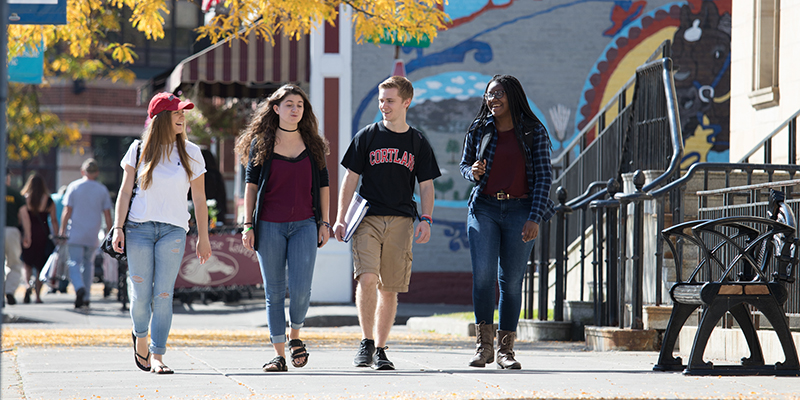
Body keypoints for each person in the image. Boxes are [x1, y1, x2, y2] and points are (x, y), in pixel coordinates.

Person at [333, 76, 441, 370]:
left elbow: (427, 185)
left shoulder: (417, 141)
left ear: (407, 102)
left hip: (402, 220)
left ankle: (381, 348)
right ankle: (366, 343)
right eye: (381, 100)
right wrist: (340, 218)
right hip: (367, 218)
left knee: (389, 288)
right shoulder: (367, 136)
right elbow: (350, 179)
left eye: (390, 100)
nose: (384, 106)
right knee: (367, 278)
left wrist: (426, 219)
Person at [459, 74, 555, 370]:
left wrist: (534, 217)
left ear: (512, 96)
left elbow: (543, 178)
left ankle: (505, 351)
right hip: (484, 208)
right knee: (484, 276)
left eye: (498, 94)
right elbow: (464, 166)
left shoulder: (532, 131)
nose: (493, 99)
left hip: (520, 210)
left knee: (511, 282)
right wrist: (471, 172)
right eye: (489, 95)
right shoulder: (479, 128)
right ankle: (483, 347)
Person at [112, 92, 211, 374]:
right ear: (161, 118)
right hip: (139, 228)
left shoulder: (191, 151)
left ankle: (157, 355)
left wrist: (203, 238)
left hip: (174, 231)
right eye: (177, 112)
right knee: (141, 294)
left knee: (164, 295)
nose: (182, 116)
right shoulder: (138, 149)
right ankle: (140, 335)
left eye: (183, 112)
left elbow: (200, 199)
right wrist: (118, 227)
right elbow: (124, 191)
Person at [236, 84, 331, 372]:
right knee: (274, 291)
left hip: (305, 223)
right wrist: (248, 224)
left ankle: (295, 336)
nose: (295, 109)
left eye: (300, 105)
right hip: (268, 226)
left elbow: (324, 185)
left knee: (301, 289)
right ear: (276, 108)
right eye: (289, 104)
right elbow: (250, 186)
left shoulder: (313, 143)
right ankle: (278, 355)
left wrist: (324, 222)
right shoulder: (261, 142)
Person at [60, 159, 113, 309]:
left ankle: (78, 287)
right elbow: (107, 214)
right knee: (88, 264)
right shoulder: (102, 189)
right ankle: (87, 296)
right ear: (97, 173)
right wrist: (109, 232)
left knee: (74, 262)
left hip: (76, 232)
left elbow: (67, 210)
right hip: (92, 233)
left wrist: (62, 230)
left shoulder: (74, 187)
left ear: (83, 171)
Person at [20, 172, 59, 304]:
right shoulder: (48, 200)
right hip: (42, 234)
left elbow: (21, 217)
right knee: (40, 265)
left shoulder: (25, 198)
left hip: (28, 233)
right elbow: (53, 220)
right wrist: (57, 235)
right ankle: (37, 296)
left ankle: (27, 285)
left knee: (27, 263)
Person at [4, 173, 32, 306]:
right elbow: (24, 216)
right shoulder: (15, 194)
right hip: (11, 231)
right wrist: (27, 234)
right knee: (14, 264)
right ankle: (9, 290)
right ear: (8, 177)